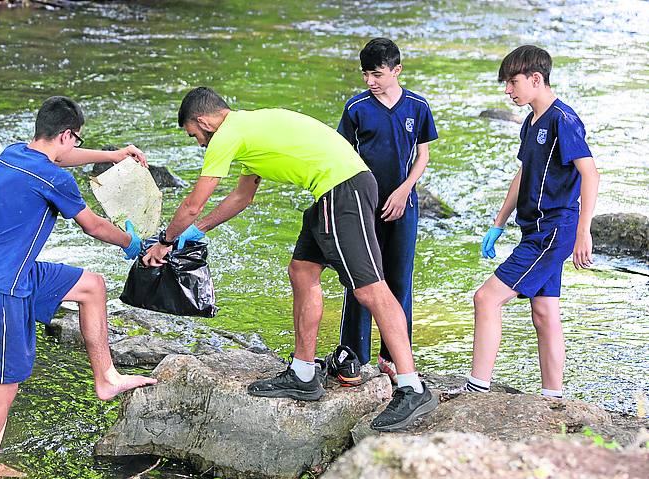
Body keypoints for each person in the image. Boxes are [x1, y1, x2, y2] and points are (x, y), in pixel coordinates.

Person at [142, 87, 438, 432]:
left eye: (195, 135)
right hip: (331, 190)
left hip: (342, 190)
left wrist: (166, 241)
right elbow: (242, 197)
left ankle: (411, 386)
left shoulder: (227, 135)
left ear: (204, 120)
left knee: (370, 288)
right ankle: (303, 373)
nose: (199, 144)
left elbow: (193, 202)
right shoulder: (247, 130)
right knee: (301, 271)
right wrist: (199, 230)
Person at [0, 96, 158, 478]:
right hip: (0, 288)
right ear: (67, 134)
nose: (77, 148)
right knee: (4, 386)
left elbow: (62, 156)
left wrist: (114, 155)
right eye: (78, 140)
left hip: (10, 273)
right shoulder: (55, 178)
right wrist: (132, 243)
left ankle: (106, 378)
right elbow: (93, 226)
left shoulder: (14, 153)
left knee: (92, 287)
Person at [460, 45, 600, 397]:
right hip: (534, 230)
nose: (508, 90)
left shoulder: (562, 120)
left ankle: (477, 389)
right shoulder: (531, 121)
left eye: (512, 82)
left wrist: (584, 231)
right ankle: (554, 397)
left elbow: (591, 173)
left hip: (554, 230)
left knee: (486, 299)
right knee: (544, 312)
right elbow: (524, 173)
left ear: (536, 79)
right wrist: (499, 222)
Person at [336, 38, 438, 383]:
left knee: (399, 281)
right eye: (365, 74)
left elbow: (422, 155)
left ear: (397, 70)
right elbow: (341, 156)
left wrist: (404, 190)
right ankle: (352, 352)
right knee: (360, 279)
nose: (370, 81)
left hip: (404, 204)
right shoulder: (356, 108)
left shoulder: (418, 107)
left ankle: (394, 356)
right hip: (362, 206)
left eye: (377, 74)